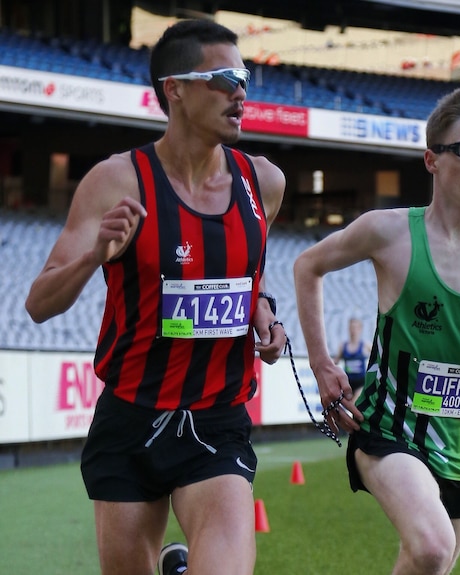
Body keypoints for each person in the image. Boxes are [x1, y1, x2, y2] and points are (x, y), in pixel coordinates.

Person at [24, 19, 286, 575]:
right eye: (222, 77)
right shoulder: (117, 181)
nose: (240, 91)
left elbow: (248, 274)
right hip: (131, 421)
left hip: (216, 421)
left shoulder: (264, 182)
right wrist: (97, 251)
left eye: (244, 76)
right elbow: (39, 303)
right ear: (175, 88)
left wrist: (264, 312)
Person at [294, 86, 460, 575]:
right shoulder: (390, 231)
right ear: (432, 160)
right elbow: (308, 266)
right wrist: (321, 364)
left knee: (427, 565)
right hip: (390, 431)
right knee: (433, 548)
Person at [332, 317, 372, 395]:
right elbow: (335, 362)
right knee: (348, 405)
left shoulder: (366, 345)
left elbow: (378, 357)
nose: (353, 330)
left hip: (361, 383)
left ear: (360, 329)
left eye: (355, 328)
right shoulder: (343, 346)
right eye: (351, 327)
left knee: (354, 403)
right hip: (347, 383)